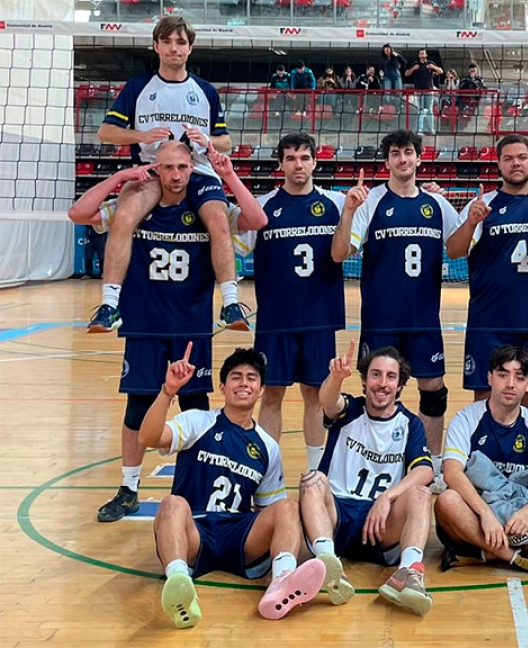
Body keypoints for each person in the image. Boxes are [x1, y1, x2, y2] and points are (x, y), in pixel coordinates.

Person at [67, 141, 267, 522]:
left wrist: (226, 173)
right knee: (137, 410)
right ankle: (128, 488)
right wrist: (121, 177)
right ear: (156, 169)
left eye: (182, 168)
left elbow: (256, 220)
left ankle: (200, 485)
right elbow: (79, 213)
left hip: (192, 329)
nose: (175, 176)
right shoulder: (137, 205)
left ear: (193, 168)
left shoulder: (209, 208)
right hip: (145, 326)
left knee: (196, 410)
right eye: (167, 168)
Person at [139, 346, 327, 628]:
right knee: (172, 504)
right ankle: (180, 585)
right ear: (222, 386)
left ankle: (281, 581)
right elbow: (148, 436)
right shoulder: (198, 421)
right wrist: (168, 391)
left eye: (251, 378)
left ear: (261, 389)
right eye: (236, 377)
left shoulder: (267, 446)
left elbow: (269, 510)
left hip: (239, 533)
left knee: (287, 506)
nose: (243, 383)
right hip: (196, 530)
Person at [93, 17, 259, 334]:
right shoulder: (139, 87)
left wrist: (209, 142)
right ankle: (109, 306)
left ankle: (230, 303)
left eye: (180, 42)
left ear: (190, 48)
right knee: (124, 217)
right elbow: (105, 132)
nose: (174, 48)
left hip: (198, 171)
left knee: (218, 220)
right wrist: (140, 136)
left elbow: (226, 141)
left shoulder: (206, 91)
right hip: (153, 172)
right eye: (167, 42)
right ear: (156, 46)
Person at [331, 130, 460, 491]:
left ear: (419, 158)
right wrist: (348, 211)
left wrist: (473, 214)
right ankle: (373, 460)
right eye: (395, 154)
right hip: (381, 320)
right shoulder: (371, 202)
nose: (403, 159)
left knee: (434, 390)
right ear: (386, 161)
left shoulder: (436, 205)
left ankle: (431, 466)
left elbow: (461, 245)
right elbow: (340, 254)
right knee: (377, 390)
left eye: (408, 153)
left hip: (424, 319)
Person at [233, 133, 346, 471]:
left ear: (315, 162)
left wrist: (430, 190)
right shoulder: (262, 206)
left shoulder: (336, 204)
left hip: (319, 318)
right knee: (271, 395)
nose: (299, 165)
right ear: (280, 164)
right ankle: (268, 470)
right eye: (291, 158)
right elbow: (236, 247)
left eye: (305, 158)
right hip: (275, 320)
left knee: (314, 396)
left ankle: (315, 471)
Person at [299, 343, 435, 616]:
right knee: (312, 479)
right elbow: (328, 400)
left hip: (381, 524)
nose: (382, 383)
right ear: (364, 380)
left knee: (421, 493)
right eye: (375, 374)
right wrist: (336, 377)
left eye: (390, 376)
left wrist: (388, 496)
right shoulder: (349, 409)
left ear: (399, 385)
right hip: (337, 515)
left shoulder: (409, 424)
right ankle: (328, 562)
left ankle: (408, 573)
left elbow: (426, 471)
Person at [434, 346, 528, 580]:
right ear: (489, 377)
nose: (510, 384)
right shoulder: (467, 419)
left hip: (516, 516)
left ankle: (484, 555)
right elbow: (452, 473)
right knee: (447, 501)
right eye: (503, 374)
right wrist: (486, 514)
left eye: (519, 377)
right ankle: (514, 557)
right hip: (477, 515)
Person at [447, 135, 528, 408]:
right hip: (489, 321)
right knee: (484, 399)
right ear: (498, 164)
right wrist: (471, 222)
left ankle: (522, 452)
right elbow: (454, 251)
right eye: (508, 158)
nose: (515, 163)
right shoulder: (484, 206)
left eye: (521, 157)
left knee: (525, 400)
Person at [405, 49, 443, 136]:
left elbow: (440, 71)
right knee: (420, 110)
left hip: (429, 90)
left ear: (426, 55)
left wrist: (433, 67)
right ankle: (420, 130)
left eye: (423, 53)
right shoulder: (415, 64)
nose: (421, 55)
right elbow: (406, 73)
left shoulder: (430, 63)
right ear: (418, 55)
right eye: (420, 53)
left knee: (429, 110)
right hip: (418, 90)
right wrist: (413, 69)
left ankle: (431, 129)